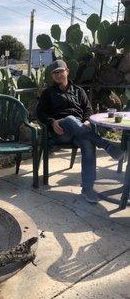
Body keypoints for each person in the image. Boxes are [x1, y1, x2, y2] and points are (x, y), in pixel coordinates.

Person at [37, 59, 123, 203]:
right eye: (55, 73)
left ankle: (87, 189)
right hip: (61, 132)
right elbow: (40, 114)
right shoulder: (48, 93)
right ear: (52, 76)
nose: (58, 75)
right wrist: (52, 122)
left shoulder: (79, 91)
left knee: (88, 145)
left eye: (60, 71)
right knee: (70, 119)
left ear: (67, 71)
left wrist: (88, 121)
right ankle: (106, 145)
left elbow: (88, 110)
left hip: (79, 131)